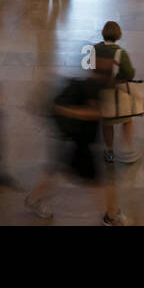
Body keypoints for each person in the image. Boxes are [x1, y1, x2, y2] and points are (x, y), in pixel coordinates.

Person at [25, 63, 126, 225]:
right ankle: (110, 216)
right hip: (77, 143)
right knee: (96, 181)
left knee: (57, 173)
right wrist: (67, 110)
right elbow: (92, 113)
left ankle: (32, 200)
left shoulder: (87, 83)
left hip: (72, 140)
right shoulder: (96, 88)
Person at [96, 21, 139, 164]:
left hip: (100, 92)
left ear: (103, 33)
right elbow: (130, 73)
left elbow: (86, 66)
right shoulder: (121, 53)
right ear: (118, 35)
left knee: (107, 123)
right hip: (116, 93)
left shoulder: (94, 49)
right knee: (128, 118)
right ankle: (127, 147)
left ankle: (109, 151)